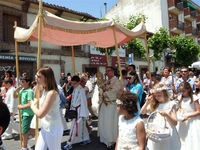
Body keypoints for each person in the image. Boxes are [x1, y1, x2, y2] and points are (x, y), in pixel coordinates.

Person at [30, 66, 63, 150]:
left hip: (53, 128)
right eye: (36, 76)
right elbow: (36, 98)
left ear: (47, 78)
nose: (36, 78)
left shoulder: (52, 93)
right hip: (45, 126)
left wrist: (32, 106)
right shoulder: (44, 90)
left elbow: (41, 114)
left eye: (39, 76)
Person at [140, 83, 180, 150]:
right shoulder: (155, 104)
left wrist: (166, 115)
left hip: (167, 129)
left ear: (164, 93)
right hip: (156, 129)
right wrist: (147, 103)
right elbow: (142, 112)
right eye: (155, 96)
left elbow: (175, 122)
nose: (157, 97)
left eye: (159, 95)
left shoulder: (170, 104)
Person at [64, 75, 90, 150]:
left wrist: (83, 114)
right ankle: (86, 139)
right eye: (72, 83)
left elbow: (84, 103)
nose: (73, 85)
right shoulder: (75, 89)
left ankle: (69, 143)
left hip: (79, 111)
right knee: (82, 126)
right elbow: (73, 100)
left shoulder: (81, 90)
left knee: (73, 127)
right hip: (75, 110)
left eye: (75, 83)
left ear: (78, 82)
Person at [98, 66, 121, 149]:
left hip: (111, 105)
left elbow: (115, 91)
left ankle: (111, 139)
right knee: (105, 121)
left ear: (113, 72)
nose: (106, 72)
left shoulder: (116, 81)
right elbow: (102, 88)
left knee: (110, 122)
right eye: (106, 71)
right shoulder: (107, 81)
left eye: (108, 71)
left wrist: (104, 93)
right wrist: (101, 89)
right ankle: (105, 138)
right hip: (105, 104)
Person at [176, 82, 200, 150]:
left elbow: (198, 111)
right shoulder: (180, 97)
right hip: (183, 120)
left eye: (183, 91)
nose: (182, 93)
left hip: (192, 120)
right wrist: (179, 111)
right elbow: (180, 107)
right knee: (182, 137)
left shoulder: (194, 98)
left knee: (192, 137)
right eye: (181, 91)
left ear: (188, 89)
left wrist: (188, 116)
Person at [13, 76, 34, 150]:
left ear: (28, 82)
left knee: (24, 131)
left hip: (27, 113)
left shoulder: (30, 91)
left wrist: (21, 107)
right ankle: (39, 134)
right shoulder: (22, 90)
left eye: (23, 82)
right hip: (23, 113)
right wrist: (15, 90)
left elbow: (30, 104)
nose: (21, 83)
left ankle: (24, 147)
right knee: (26, 129)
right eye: (21, 82)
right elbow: (15, 96)